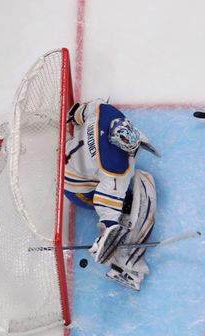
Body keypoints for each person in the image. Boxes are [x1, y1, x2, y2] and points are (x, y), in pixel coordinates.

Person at [63, 99, 160, 291]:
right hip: (77, 189)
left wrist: (76, 114)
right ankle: (127, 267)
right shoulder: (115, 166)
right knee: (131, 206)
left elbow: (86, 110)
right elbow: (108, 202)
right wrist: (110, 228)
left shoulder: (105, 113)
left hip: (65, 155)